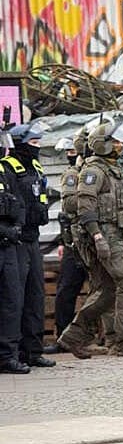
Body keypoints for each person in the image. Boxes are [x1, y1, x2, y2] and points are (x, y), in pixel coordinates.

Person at [57, 122, 123, 358]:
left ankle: (73, 336)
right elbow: (84, 206)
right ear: (104, 145)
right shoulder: (93, 172)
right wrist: (98, 237)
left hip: (114, 234)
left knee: (108, 291)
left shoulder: (111, 170)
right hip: (104, 235)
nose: (120, 146)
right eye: (116, 142)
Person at [1, 123, 56, 368]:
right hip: (15, 240)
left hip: (33, 238)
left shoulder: (35, 165)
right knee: (14, 298)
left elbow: (40, 193)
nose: (38, 147)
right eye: (33, 142)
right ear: (20, 143)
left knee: (35, 295)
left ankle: (32, 351)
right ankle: (10, 354)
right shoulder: (6, 167)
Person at [51, 132, 110, 356]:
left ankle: (106, 336)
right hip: (76, 241)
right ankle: (64, 338)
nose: (71, 155)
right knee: (68, 289)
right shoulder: (74, 174)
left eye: (73, 151)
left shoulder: (99, 170)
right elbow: (68, 209)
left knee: (102, 287)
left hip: (97, 237)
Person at [0, 129, 29, 373]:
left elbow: (19, 203)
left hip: (8, 246)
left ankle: (7, 356)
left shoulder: (5, 170)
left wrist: (16, 226)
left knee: (11, 300)